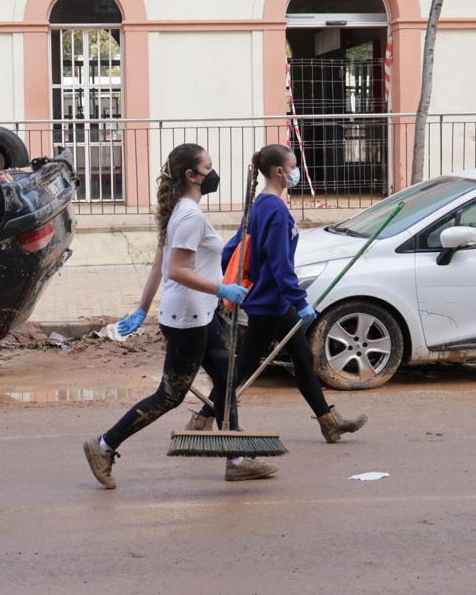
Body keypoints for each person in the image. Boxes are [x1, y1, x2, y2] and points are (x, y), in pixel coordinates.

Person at [82, 143, 279, 489]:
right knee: (170, 396)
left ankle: (236, 460)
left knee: (226, 382)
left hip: (201, 314)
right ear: (191, 175)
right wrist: (223, 290)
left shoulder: (180, 210)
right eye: (208, 167)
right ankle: (103, 446)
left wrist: (142, 308)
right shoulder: (189, 216)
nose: (213, 173)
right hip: (188, 319)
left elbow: (160, 262)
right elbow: (175, 269)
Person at [200, 143, 367, 443]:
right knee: (245, 365)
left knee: (303, 358)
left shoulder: (260, 204)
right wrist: (300, 301)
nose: (296, 173)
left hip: (270, 300)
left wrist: (246, 285)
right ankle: (202, 419)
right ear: (279, 171)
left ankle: (328, 422)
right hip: (270, 301)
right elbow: (280, 264)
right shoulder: (275, 209)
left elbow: (231, 250)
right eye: (293, 168)